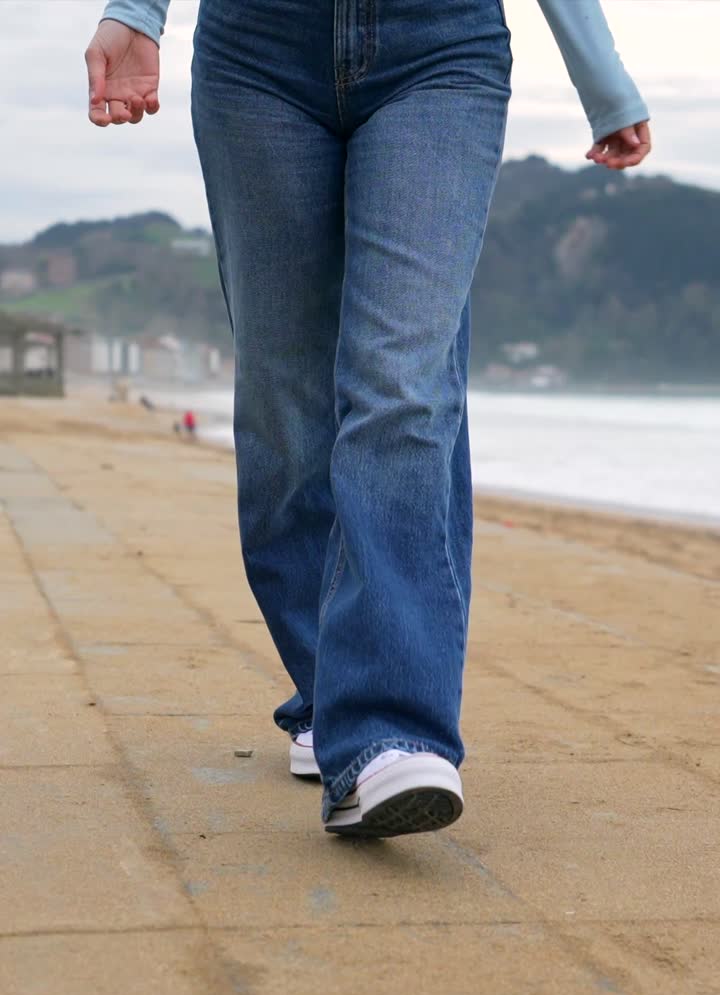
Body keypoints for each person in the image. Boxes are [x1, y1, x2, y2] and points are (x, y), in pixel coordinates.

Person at [86, 0, 651, 838]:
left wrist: (598, 72)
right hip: (259, 54)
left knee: (402, 386)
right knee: (286, 403)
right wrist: (136, 10)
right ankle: (330, 690)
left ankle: (389, 730)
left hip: (442, 50)